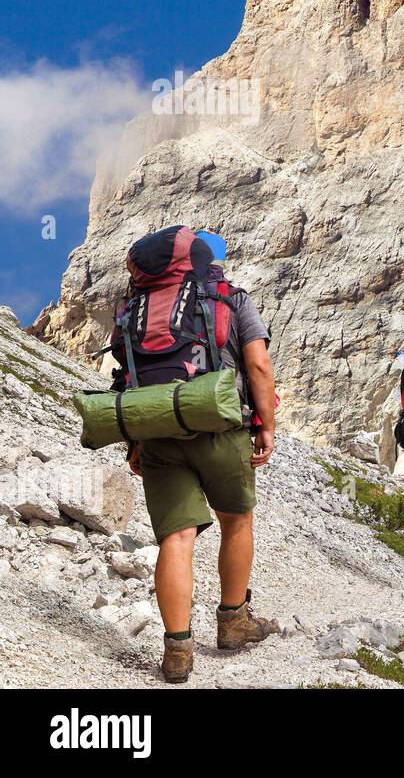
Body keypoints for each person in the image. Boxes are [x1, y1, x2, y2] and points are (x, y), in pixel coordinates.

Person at [120, 226, 277, 683]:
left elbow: (127, 374)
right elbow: (259, 366)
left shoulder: (134, 307)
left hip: (157, 431)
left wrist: (136, 440)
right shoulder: (231, 298)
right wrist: (265, 425)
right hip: (220, 425)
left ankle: (177, 653)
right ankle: (233, 623)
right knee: (236, 519)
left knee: (176, 538)